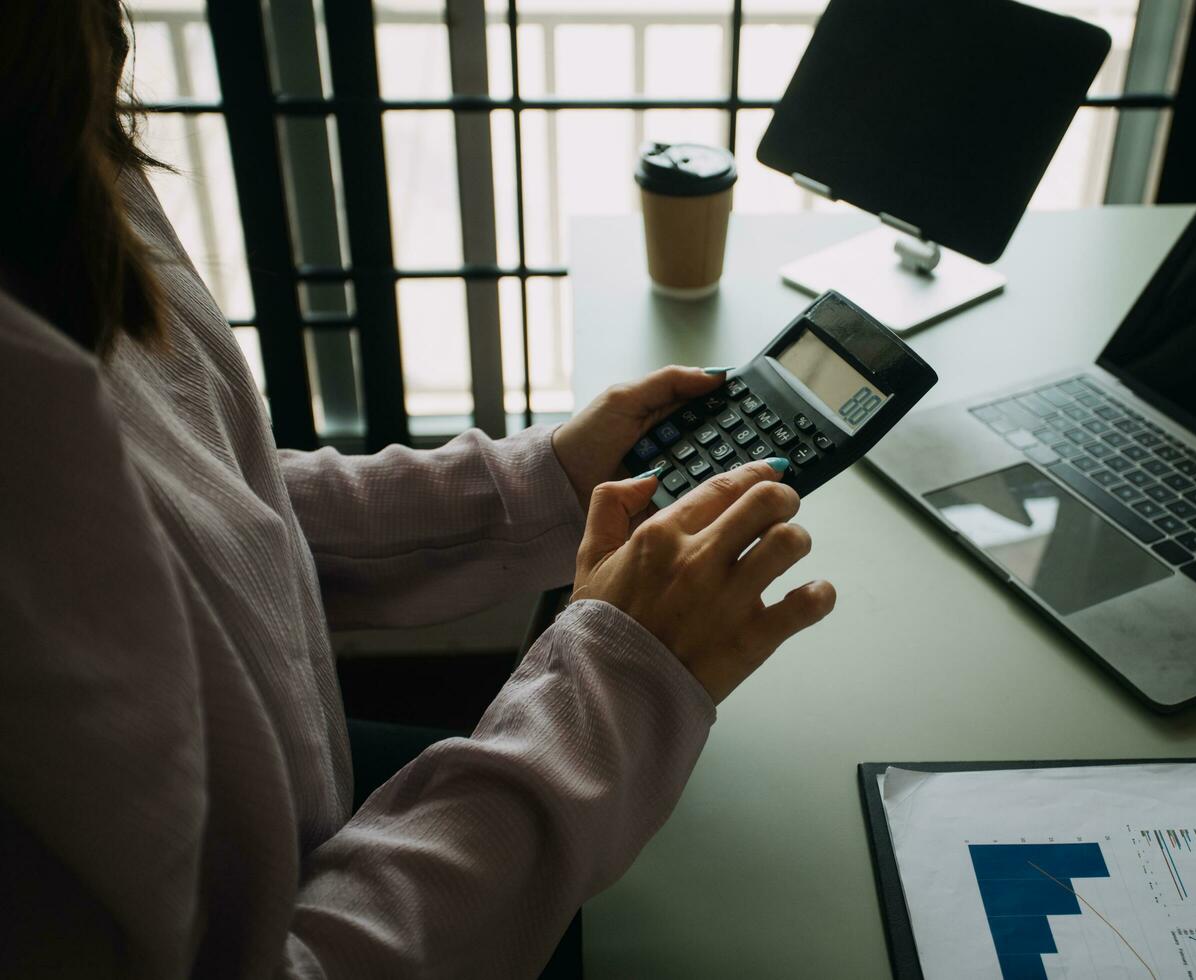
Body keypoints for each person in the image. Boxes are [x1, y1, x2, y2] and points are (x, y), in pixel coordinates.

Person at [0, 2, 836, 976]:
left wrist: (539, 482)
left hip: (297, 788)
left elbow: (200, 508)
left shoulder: (51, 127)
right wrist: (616, 678)